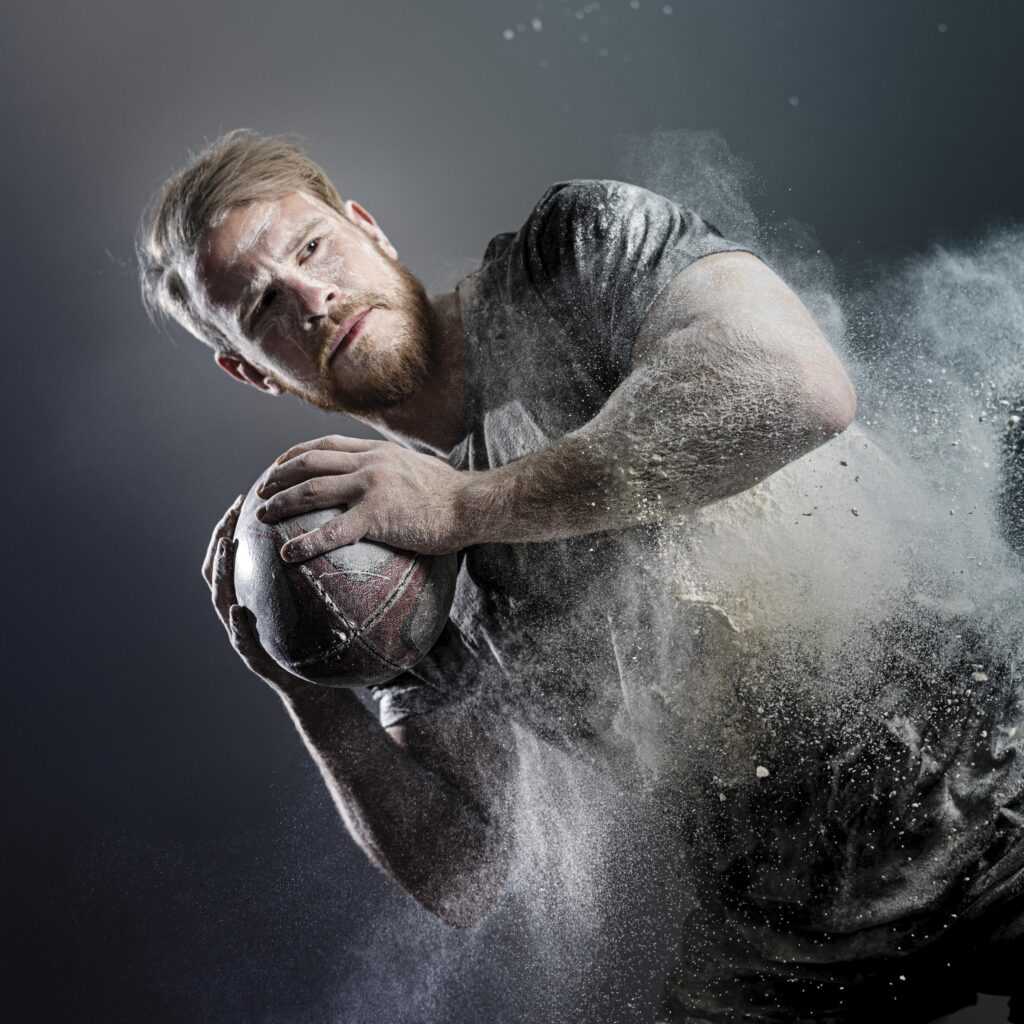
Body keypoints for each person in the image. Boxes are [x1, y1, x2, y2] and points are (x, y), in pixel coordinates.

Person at [139, 130, 1021, 1022]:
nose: (312, 298)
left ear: (368, 228)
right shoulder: (379, 559)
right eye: (263, 305)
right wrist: (312, 693)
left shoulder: (569, 256)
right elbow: (464, 877)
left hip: (982, 756)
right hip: (794, 916)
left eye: (311, 247)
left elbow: (796, 388)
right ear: (249, 370)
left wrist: (465, 505)